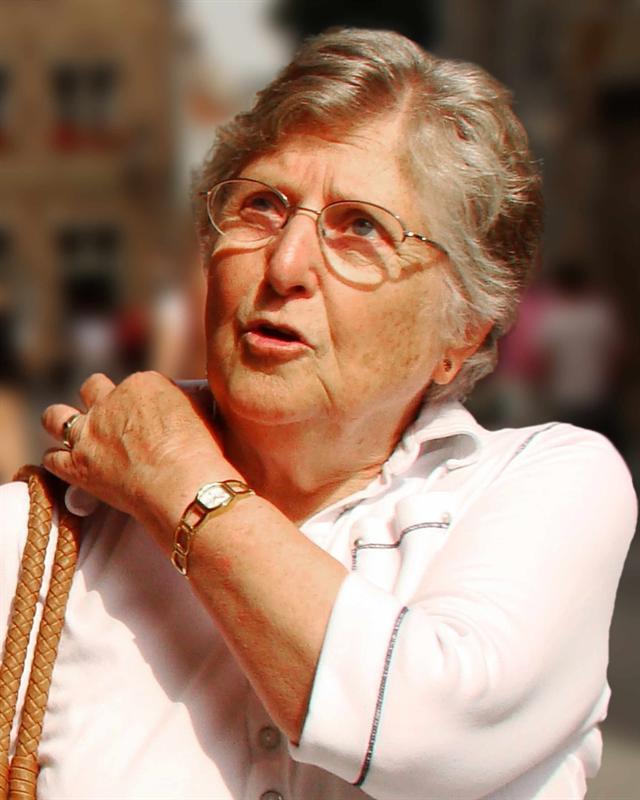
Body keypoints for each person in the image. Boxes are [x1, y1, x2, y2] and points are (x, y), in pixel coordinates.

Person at [1, 28, 636, 800]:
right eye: (261, 206)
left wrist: (179, 482)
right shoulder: (42, 538)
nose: (286, 265)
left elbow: (431, 733)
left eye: (361, 226)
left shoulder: (545, 486)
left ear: (463, 332)